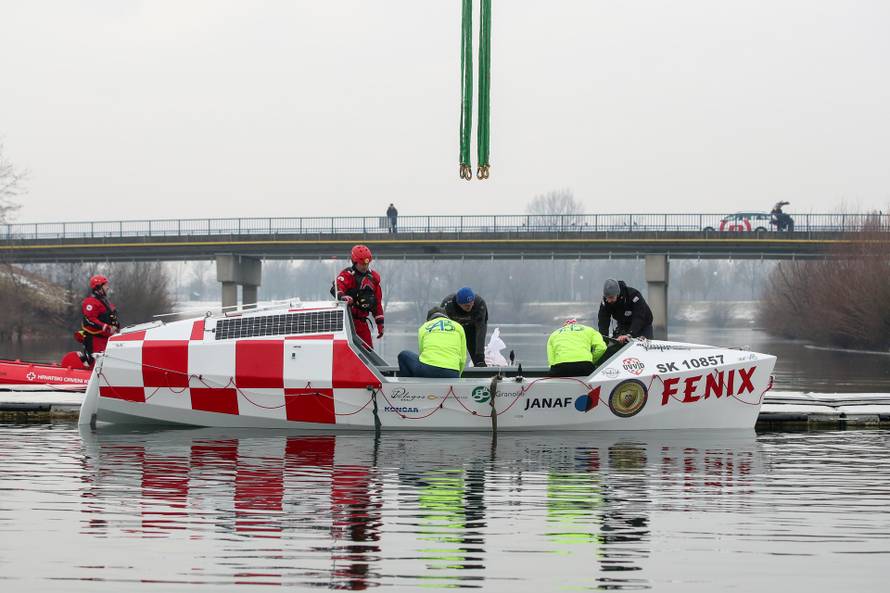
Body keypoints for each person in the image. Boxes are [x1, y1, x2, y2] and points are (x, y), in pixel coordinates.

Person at [335, 245, 384, 349]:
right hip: (347, 322)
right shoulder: (347, 275)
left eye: (367, 264)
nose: (365, 267)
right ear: (355, 262)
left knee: (367, 351)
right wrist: (343, 297)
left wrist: (380, 325)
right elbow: (338, 287)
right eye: (362, 264)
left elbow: (377, 304)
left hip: (362, 324)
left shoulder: (373, 279)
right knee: (346, 351)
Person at [398, 308, 467, 378]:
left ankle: (408, 384)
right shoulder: (458, 327)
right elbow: (463, 358)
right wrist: (457, 376)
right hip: (452, 373)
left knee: (403, 355)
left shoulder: (424, 326)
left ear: (429, 319)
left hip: (428, 370)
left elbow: (421, 352)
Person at [76, 274, 119, 366]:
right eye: (106, 285)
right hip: (95, 339)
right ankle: (86, 364)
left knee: (105, 363)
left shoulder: (105, 301)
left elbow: (111, 317)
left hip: (106, 339)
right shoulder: (91, 302)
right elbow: (89, 319)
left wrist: (116, 326)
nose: (108, 287)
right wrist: (105, 327)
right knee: (96, 364)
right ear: (98, 287)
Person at [440, 287, 488, 367]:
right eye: (466, 306)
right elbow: (441, 327)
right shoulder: (448, 304)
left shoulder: (479, 303)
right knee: (451, 351)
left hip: (471, 327)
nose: (470, 307)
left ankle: (478, 363)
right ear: (459, 303)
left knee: (476, 355)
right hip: (453, 328)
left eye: (471, 304)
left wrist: (480, 356)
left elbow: (481, 330)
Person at [597, 278, 653, 343]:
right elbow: (603, 321)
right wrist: (603, 340)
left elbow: (639, 317)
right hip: (623, 324)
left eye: (611, 298)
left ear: (617, 294)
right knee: (617, 342)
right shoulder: (606, 301)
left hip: (643, 325)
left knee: (641, 342)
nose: (609, 300)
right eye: (607, 298)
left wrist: (629, 334)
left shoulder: (634, 295)